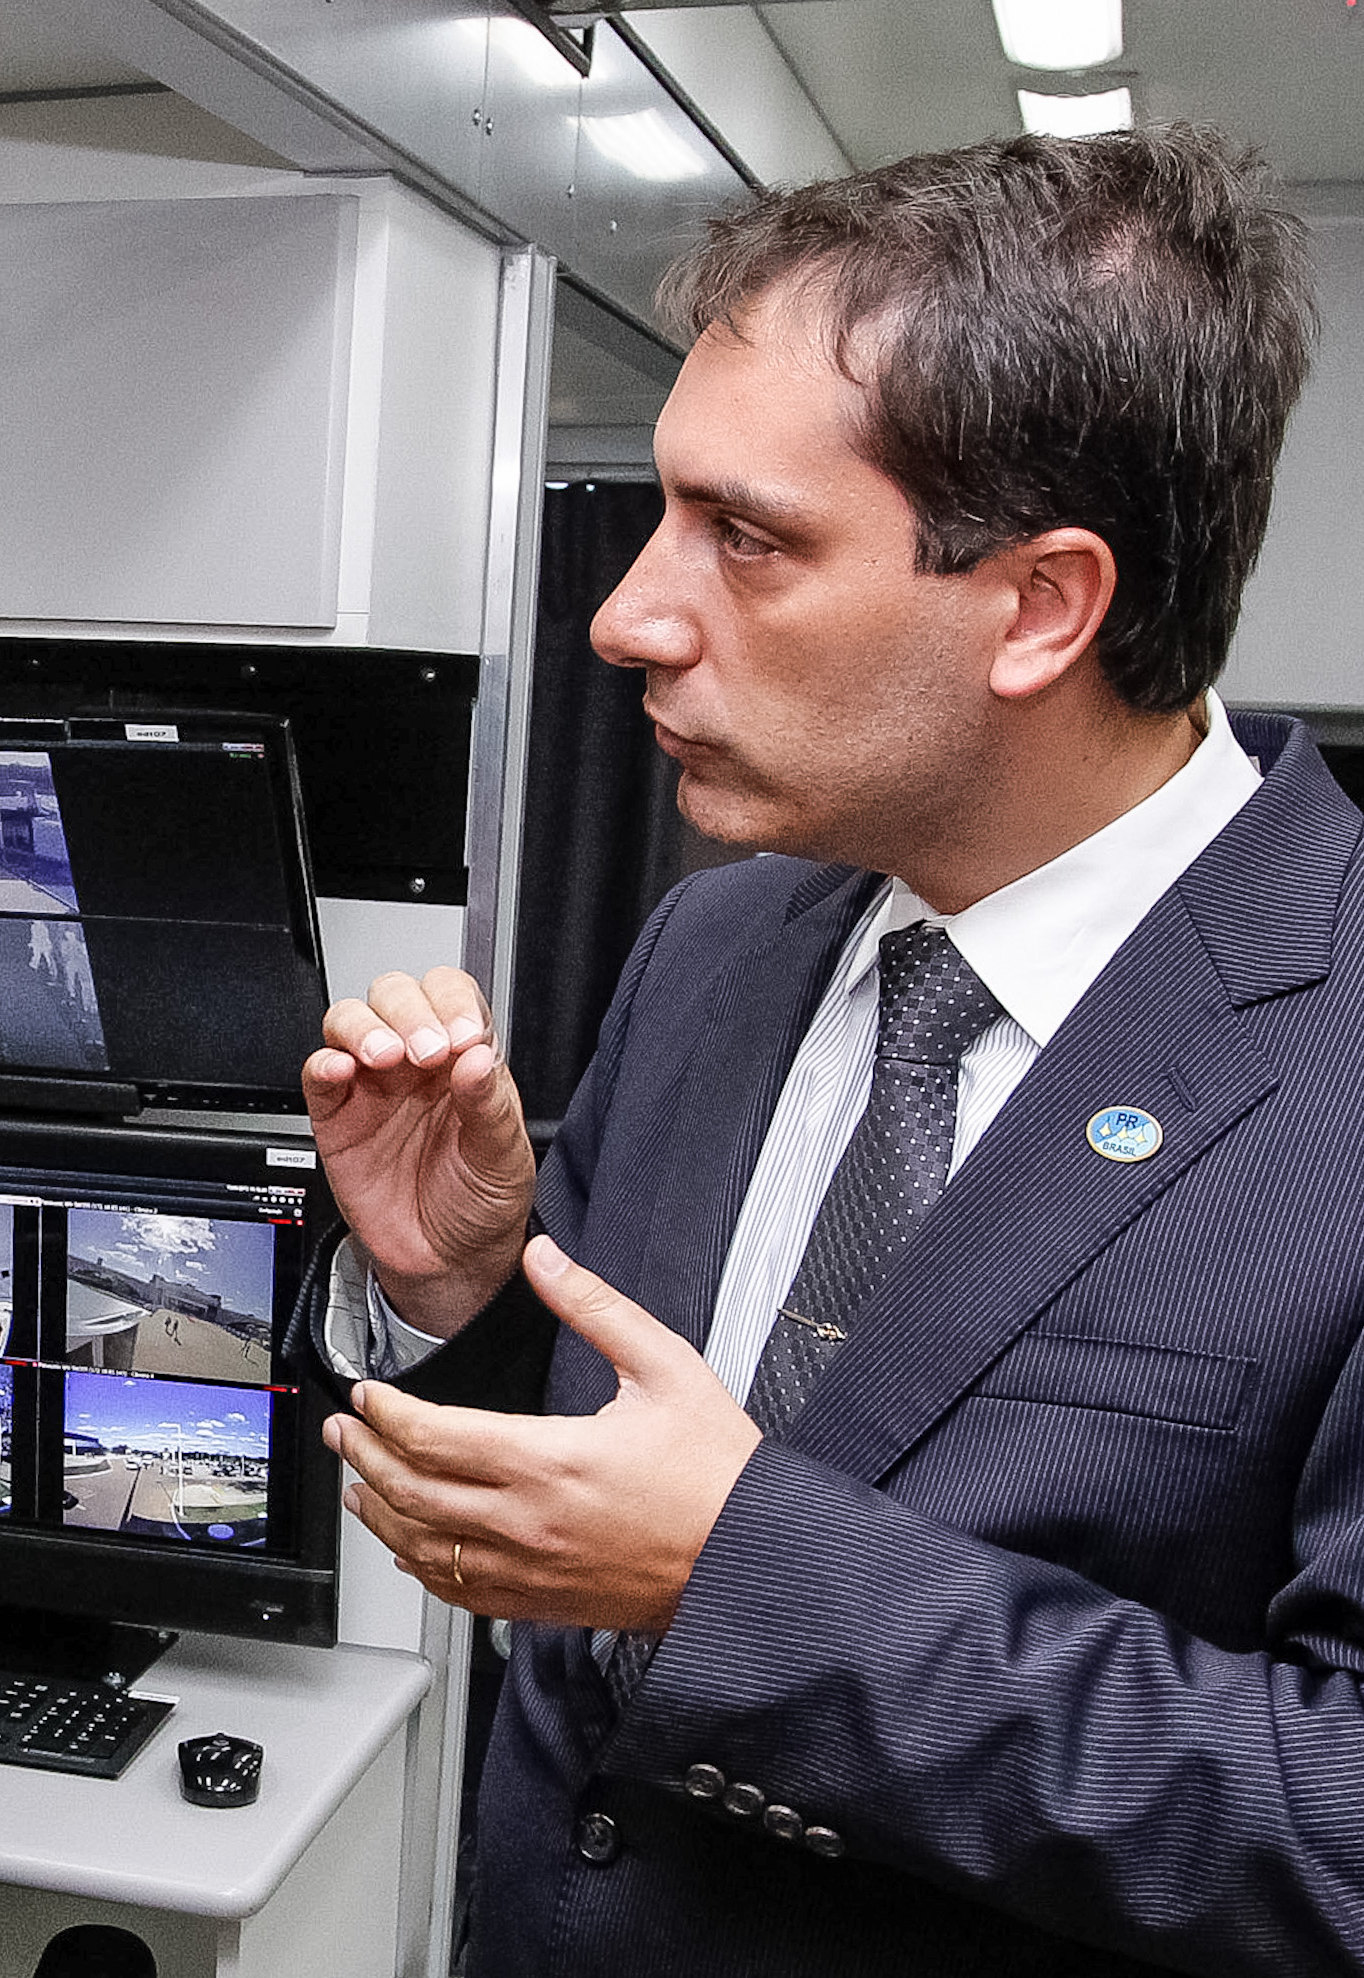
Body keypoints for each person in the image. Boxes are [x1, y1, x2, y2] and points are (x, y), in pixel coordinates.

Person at [301, 127, 1362, 1973]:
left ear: (1039, 606)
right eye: (659, 515)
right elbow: (613, 1466)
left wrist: (745, 1578)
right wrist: (464, 1284)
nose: (626, 614)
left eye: (749, 539)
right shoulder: (723, 931)